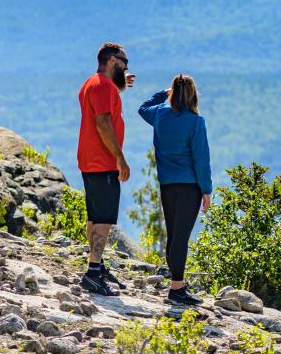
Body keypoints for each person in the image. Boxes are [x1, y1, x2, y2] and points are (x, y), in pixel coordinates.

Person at [138, 74, 212, 306]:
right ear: (193, 95)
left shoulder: (159, 114)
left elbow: (143, 108)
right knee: (181, 238)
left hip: (167, 184)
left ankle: (176, 284)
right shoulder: (195, 122)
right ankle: (177, 288)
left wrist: (164, 92)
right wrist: (206, 190)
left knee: (173, 235)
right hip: (190, 187)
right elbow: (201, 159)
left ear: (173, 92)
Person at [77, 42, 135, 296]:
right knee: (103, 220)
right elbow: (103, 123)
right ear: (112, 61)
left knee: (95, 216)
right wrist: (120, 159)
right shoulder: (102, 86)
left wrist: (120, 85)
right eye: (124, 62)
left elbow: (105, 105)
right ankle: (92, 273)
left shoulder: (95, 83)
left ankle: (97, 266)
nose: (126, 66)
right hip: (103, 162)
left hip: (90, 161)